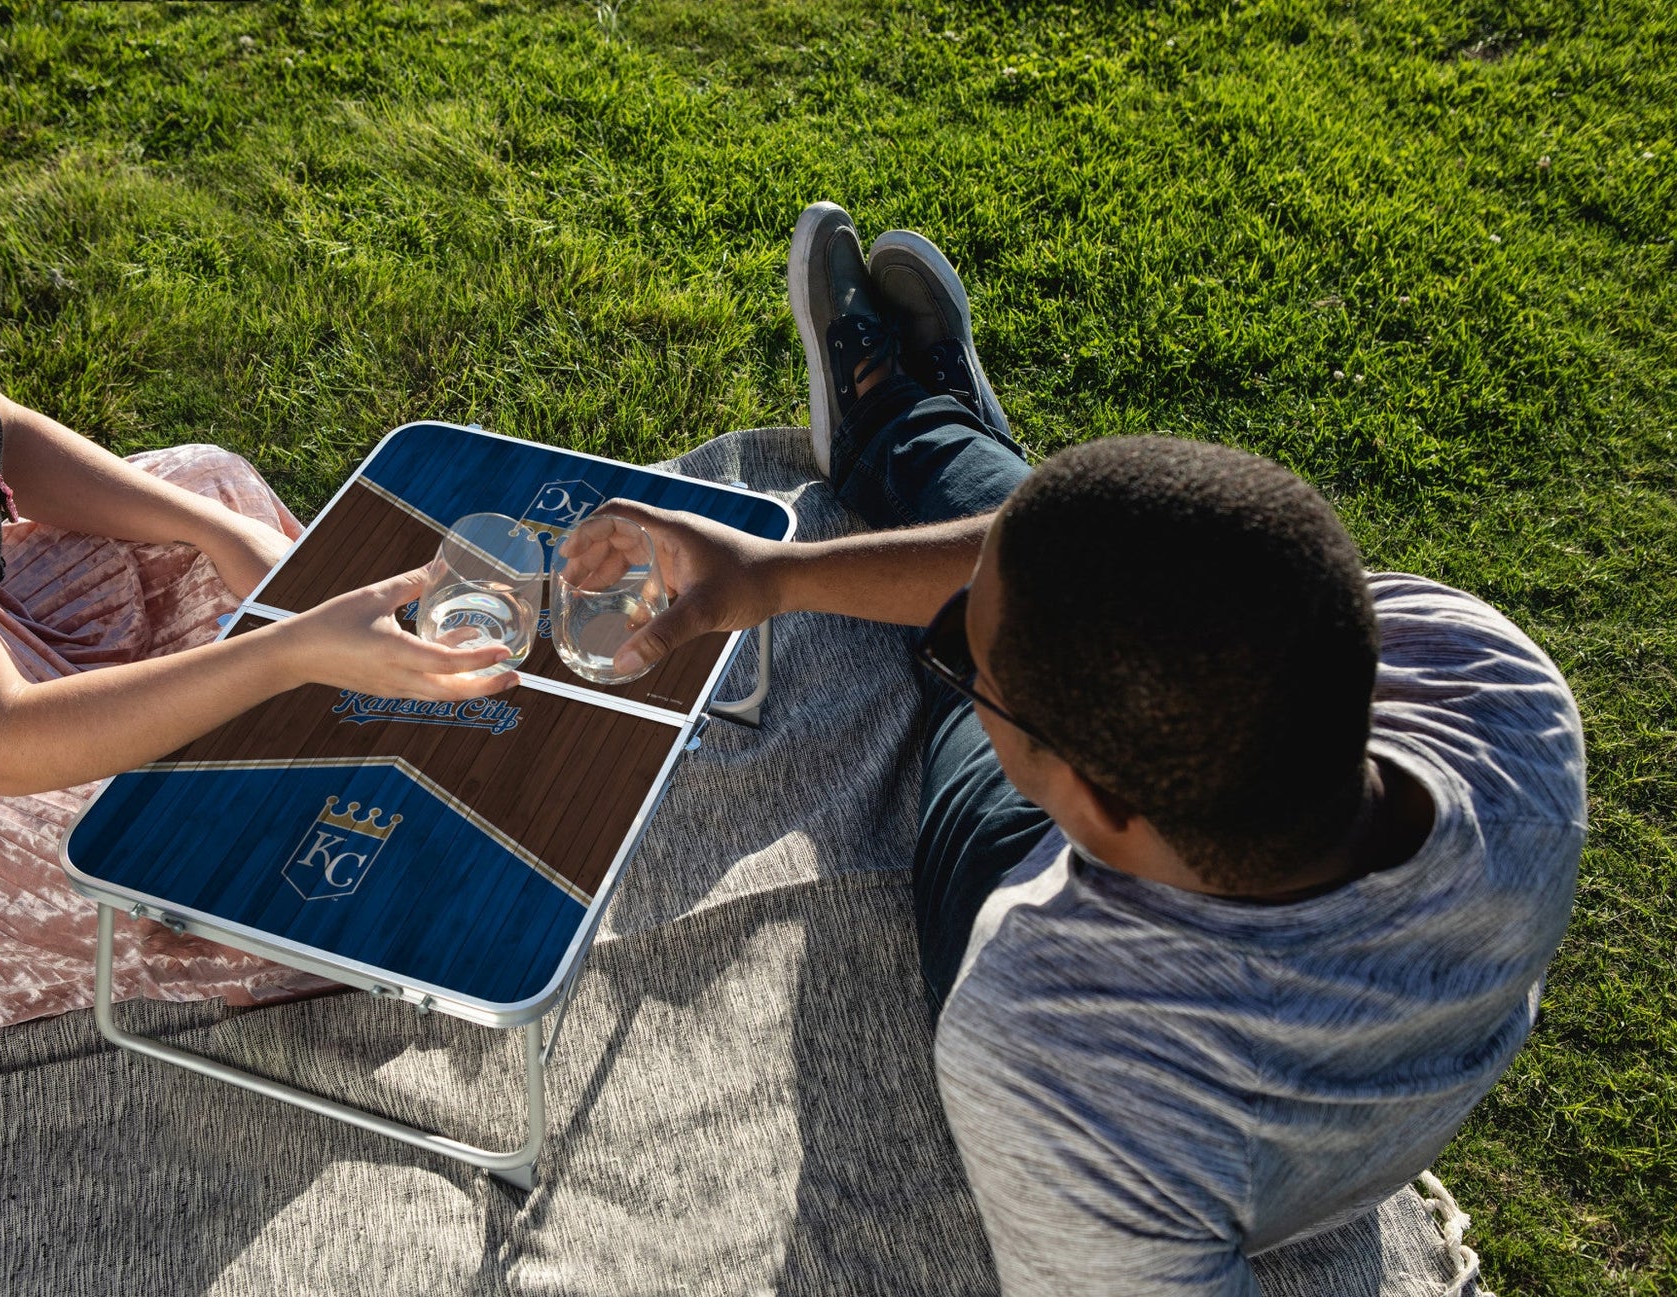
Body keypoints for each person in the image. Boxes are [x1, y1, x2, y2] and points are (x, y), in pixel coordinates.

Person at [595, 201, 1585, 1293]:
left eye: (968, 666)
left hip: (1049, 916)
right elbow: (1161, 577)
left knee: (997, 648)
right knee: (1069, 562)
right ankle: (927, 436)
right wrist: (772, 576)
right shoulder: (1494, 684)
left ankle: (914, 434)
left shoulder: (1055, 1044)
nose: (950, 657)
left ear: (1092, 805)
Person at [0, 0, 514, 1032]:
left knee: (208, 488)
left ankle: (346, 710)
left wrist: (221, 534)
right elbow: (1, 735)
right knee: (319, 872)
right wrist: (287, 654)